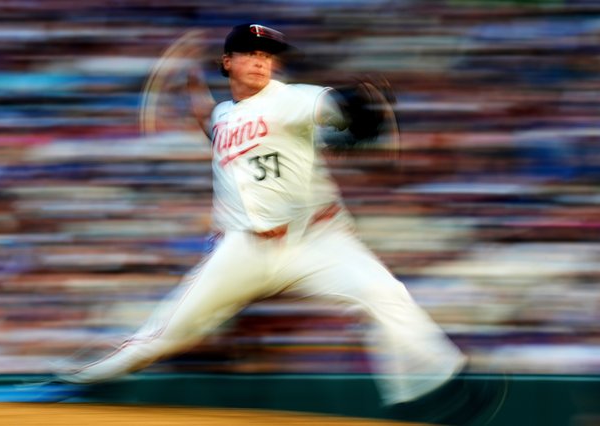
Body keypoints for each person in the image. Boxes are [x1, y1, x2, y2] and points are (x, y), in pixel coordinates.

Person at [55, 23, 502, 424]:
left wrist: (356, 108)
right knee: (167, 333)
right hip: (244, 250)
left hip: (317, 240)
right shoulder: (223, 115)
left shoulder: (292, 99)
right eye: (250, 53)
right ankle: (78, 381)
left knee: (386, 295)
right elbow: (212, 120)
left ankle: (433, 391)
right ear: (227, 62)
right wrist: (190, 83)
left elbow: (331, 106)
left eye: (267, 55)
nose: (261, 61)